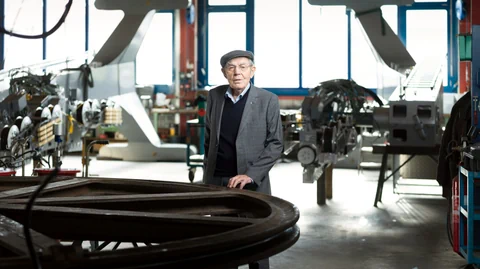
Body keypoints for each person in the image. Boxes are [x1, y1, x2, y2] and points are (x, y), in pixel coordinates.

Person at [202, 50, 283, 269]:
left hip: (251, 183)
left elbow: (276, 144)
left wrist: (250, 174)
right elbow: (209, 139)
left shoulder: (268, 100)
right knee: (223, 240)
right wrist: (207, 174)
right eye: (231, 67)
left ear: (252, 71)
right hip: (218, 182)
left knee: (257, 240)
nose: (237, 72)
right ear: (224, 72)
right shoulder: (215, 96)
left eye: (243, 67)